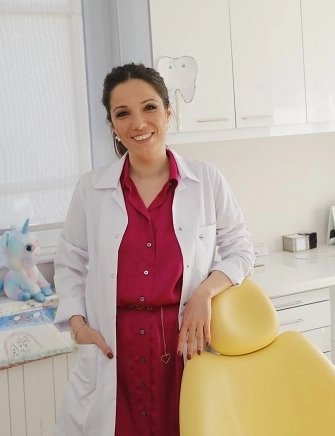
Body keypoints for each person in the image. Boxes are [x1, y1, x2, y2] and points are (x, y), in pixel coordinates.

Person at [52, 63, 255, 436]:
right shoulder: (91, 189)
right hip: (115, 351)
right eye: (122, 113)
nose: (138, 123)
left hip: (183, 346)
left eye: (149, 107)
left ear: (168, 112)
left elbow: (240, 249)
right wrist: (78, 326)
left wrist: (205, 293)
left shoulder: (206, 180)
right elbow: (69, 264)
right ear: (112, 125)